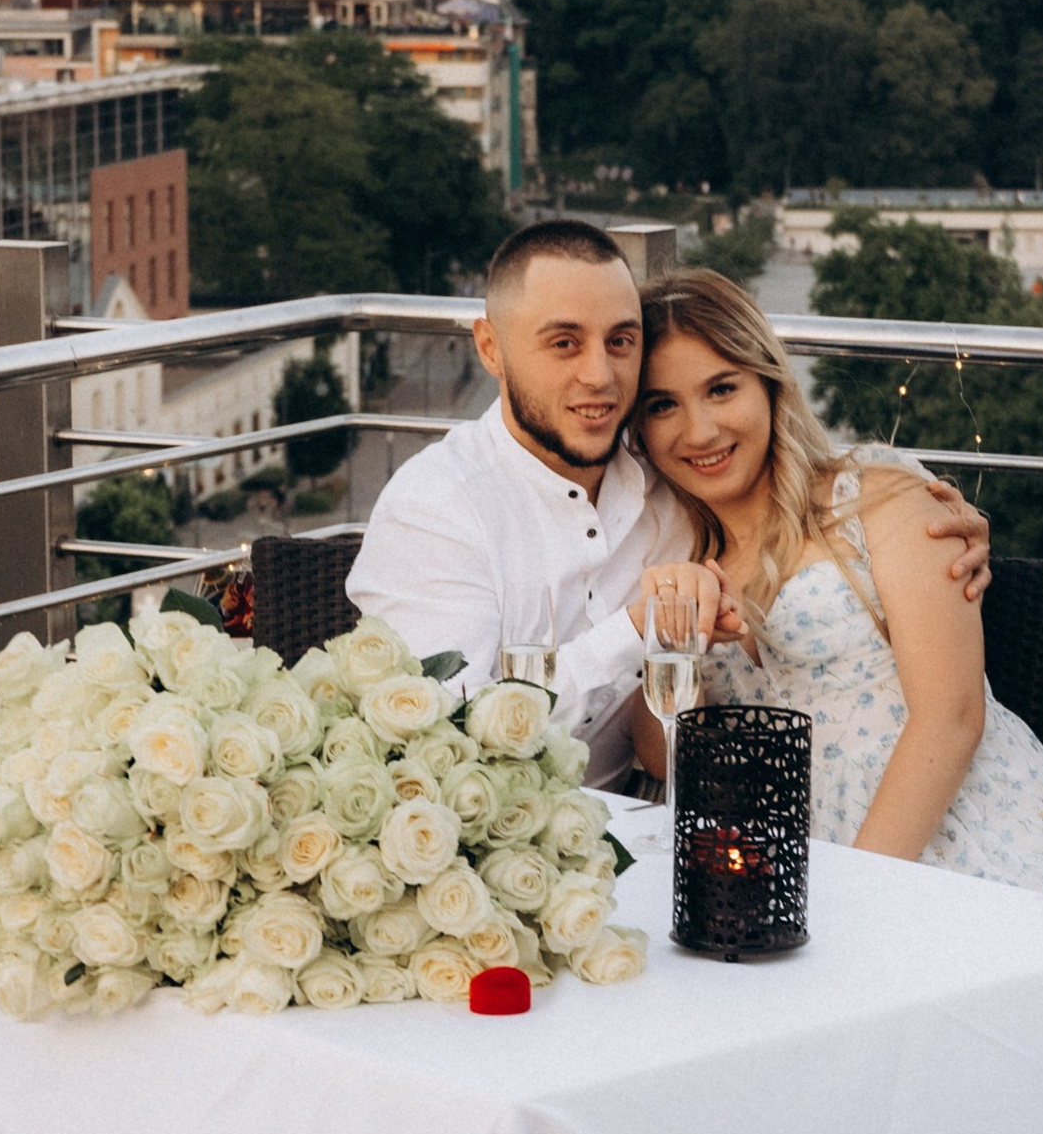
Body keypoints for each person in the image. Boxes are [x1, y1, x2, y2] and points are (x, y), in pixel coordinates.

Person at [345, 218, 989, 785]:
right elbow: (445, 743)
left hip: (658, 827)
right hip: (490, 853)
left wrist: (915, 506)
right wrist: (633, 631)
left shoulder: (673, 486)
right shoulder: (435, 509)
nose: (599, 375)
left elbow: (779, 485)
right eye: (563, 342)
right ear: (491, 348)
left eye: (620, 341)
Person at [632, 267, 1043, 904]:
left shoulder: (874, 495)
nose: (698, 431)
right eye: (662, 405)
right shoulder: (677, 552)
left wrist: (853, 898)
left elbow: (950, 719)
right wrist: (681, 645)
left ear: (768, 384)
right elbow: (661, 757)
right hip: (797, 864)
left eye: (722, 388)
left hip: (957, 840)